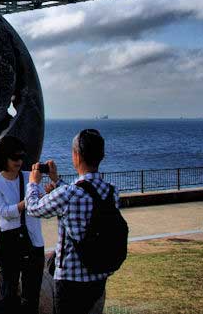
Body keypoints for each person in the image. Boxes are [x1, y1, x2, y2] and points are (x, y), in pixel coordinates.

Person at [25, 128, 120, 314]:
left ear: (76, 156)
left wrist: (33, 183)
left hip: (70, 279)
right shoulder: (112, 192)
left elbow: (33, 208)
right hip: (99, 274)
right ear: (101, 156)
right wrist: (57, 180)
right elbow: (87, 193)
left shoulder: (68, 194)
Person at [0, 136, 45, 314]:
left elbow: (41, 207)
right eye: (14, 158)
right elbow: (2, 212)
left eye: (21, 157)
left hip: (34, 242)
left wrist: (46, 195)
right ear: (4, 158)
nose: (19, 162)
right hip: (10, 243)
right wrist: (27, 202)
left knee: (32, 296)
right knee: (8, 295)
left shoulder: (29, 178)